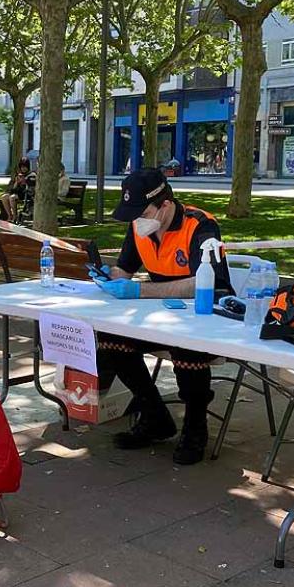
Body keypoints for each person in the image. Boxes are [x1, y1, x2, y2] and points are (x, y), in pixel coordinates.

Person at [92, 168, 233, 464]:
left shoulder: (201, 226)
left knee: (186, 346)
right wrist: (106, 276)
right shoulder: (139, 228)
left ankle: (195, 427)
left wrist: (139, 292)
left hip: (204, 319)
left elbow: (205, 282)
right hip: (158, 317)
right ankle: (154, 414)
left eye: (142, 212)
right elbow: (124, 270)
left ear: (165, 206)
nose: (136, 221)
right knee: (109, 339)